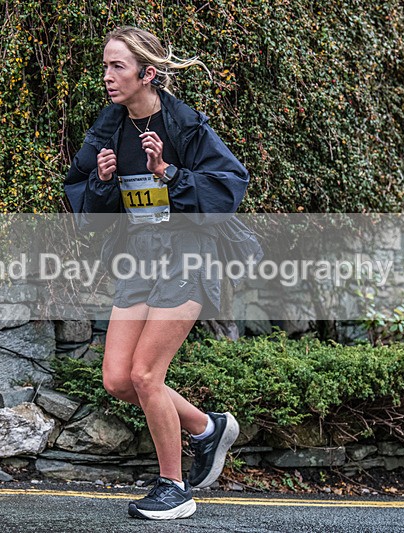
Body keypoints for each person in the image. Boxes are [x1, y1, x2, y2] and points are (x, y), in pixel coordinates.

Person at [64, 26, 254, 520]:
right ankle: (208, 428)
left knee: (147, 374)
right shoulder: (108, 129)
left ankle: (174, 488)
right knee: (117, 379)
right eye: (105, 66)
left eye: (118, 66)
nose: (108, 76)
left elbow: (228, 188)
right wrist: (102, 181)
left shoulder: (184, 124)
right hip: (139, 255)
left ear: (147, 73)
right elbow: (89, 212)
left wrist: (168, 172)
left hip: (189, 253)